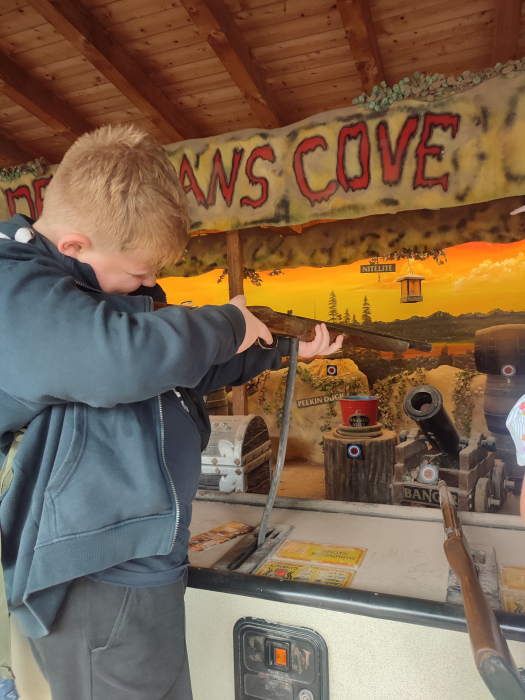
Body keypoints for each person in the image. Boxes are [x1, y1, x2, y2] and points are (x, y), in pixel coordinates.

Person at [0, 124, 342, 700]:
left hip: (137, 554)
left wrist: (280, 347)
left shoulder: (87, 294)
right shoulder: (14, 289)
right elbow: (124, 358)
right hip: (96, 569)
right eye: (139, 273)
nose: (150, 284)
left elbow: (173, 368)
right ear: (75, 246)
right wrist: (227, 322)